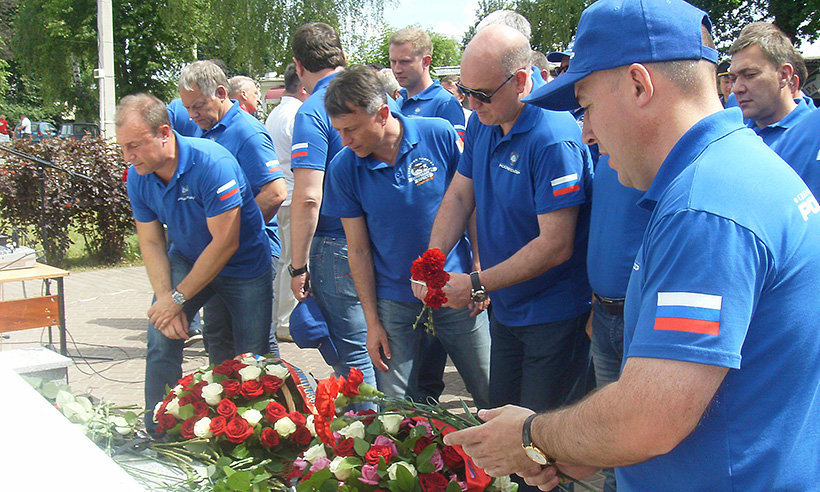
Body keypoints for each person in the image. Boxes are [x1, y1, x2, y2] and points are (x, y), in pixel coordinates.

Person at [445, 1, 820, 491]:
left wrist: (532, 436)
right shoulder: (731, 170)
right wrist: (581, 446)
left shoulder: (704, 208)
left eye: (587, 106)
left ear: (640, 85)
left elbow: (650, 418)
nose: (586, 133)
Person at [418, 25, 594, 491]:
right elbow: (460, 195)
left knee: (541, 452)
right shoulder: (485, 121)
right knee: (500, 436)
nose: (470, 104)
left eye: (480, 94)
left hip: (553, 316)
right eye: (464, 91)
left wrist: (477, 284)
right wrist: (433, 262)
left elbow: (556, 244)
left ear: (520, 80)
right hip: (510, 311)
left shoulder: (553, 138)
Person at [321, 65, 491, 408]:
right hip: (394, 302)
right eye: (339, 130)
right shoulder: (343, 167)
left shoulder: (438, 135)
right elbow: (358, 250)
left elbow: (469, 205)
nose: (345, 140)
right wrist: (372, 323)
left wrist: (478, 271)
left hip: (455, 289)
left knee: (490, 389)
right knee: (395, 409)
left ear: (382, 114)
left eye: (351, 129)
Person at [118, 93, 273, 434]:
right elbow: (151, 241)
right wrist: (165, 299)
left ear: (164, 133)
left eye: (134, 146)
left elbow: (225, 242)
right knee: (160, 336)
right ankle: (160, 429)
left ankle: (252, 436)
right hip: (187, 258)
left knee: (252, 360)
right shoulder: (138, 175)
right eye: (123, 148)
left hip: (244, 266)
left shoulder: (211, 163)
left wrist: (178, 298)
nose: (128, 157)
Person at [178, 60, 287, 359]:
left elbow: (275, 192)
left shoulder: (246, 132)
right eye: (188, 108)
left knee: (255, 346)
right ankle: (221, 389)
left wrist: (231, 235)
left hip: (249, 253)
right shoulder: (203, 129)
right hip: (217, 253)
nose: (193, 114)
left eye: (199, 105)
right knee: (217, 336)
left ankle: (275, 390)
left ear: (222, 93)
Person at [288, 22, 376, 389]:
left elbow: (309, 196)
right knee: (389, 345)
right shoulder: (374, 96)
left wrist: (297, 266)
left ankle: (371, 425)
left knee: (353, 358)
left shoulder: (313, 110)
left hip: (338, 243)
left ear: (299, 66)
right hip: (382, 238)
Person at [265, 63, 309, 342]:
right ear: (303, 87)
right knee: (294, 260)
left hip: (284, 195)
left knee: (285, 260)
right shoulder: (296, 116)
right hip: (294, 195)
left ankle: (279, 319)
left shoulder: (276, 113)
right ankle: (285, 321)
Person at [729, 22, 812, 147]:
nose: (736, 89)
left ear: (784, 75)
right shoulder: (735, 135)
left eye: (750, 75)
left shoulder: (812, 136)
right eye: (734, 79)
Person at [389, 27, 466, 139]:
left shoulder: (445, 104)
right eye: (393, 62)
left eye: (404, 62)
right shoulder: (398, 102)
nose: (397, 69)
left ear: (426, 61)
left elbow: (456, 148)